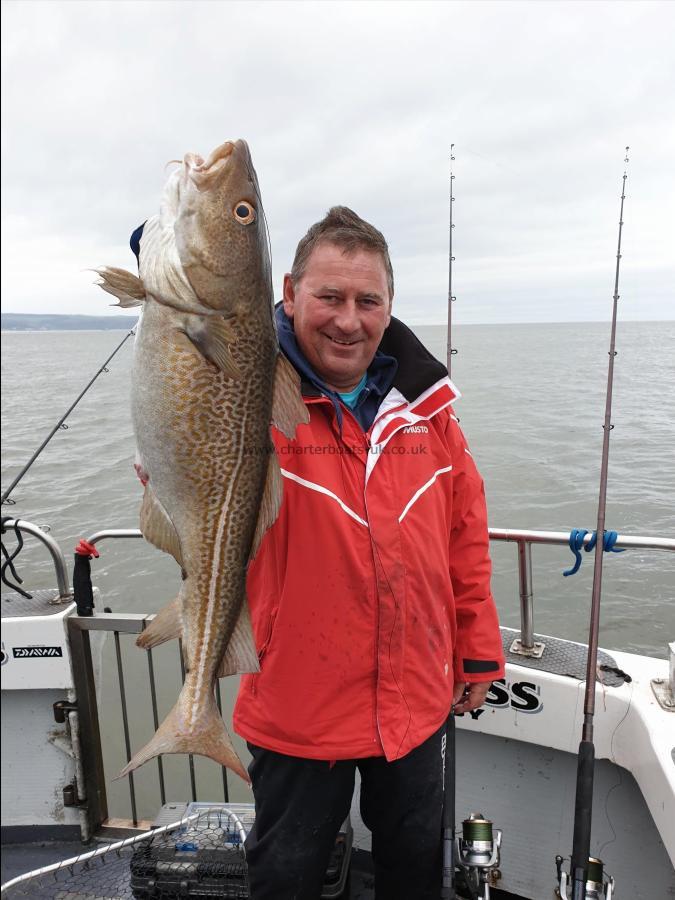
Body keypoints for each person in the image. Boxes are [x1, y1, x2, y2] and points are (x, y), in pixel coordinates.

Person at [232, 206, 505, 899]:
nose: (347, 319)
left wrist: (475, 646)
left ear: (388, 307)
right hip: (298, 700)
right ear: (289, 293)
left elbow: (462, 538)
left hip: (416, 696)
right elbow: (184, 344)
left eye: (366, 300)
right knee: (286, 873)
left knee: (415, 867)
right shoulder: (244, 390)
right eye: (328, 296)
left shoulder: (429, 411)